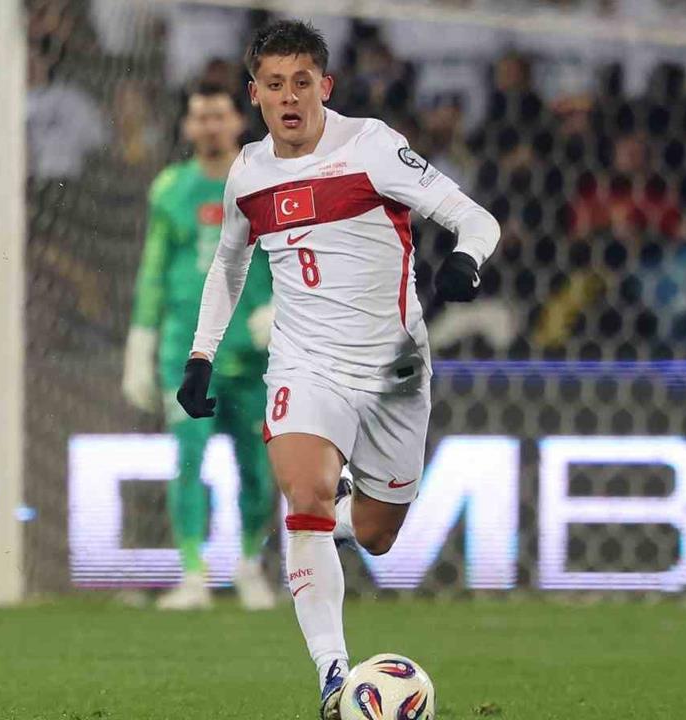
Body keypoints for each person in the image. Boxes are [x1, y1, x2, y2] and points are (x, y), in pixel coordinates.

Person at [174, 21, 499, 719]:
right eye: (274, 84)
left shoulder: (372, 146)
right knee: (306, 494)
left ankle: (336, 515)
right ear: (255, 94)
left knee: (377, 534)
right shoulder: (248, 173)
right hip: (303, 363)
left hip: (393, 372)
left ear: (325, 86)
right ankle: (333, 676)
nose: (289, 97)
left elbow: (477, 220)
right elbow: (229, 265)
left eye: (302, 82)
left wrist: (466, 261)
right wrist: (201, 354)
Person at [123, 81, 278, 611]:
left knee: (256, 468)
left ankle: (249, 565)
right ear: (188, 126)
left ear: (238, 121)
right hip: (187, 353)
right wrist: (140, 343)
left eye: (218, 115)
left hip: (253, 353)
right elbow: (154, 271)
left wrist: (282, 308)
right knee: (188, 458)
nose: (210, 126)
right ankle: (193, 573)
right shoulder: (170, 189)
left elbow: (295, 252)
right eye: (200, 117)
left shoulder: (266, 181)